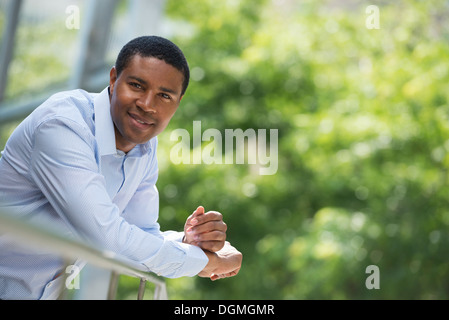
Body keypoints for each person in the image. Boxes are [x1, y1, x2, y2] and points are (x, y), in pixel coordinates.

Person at [0, 35, 242, 300]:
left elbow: (139, 235)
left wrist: (190, 244)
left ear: (178, 103)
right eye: (137, 85)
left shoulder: (145, 148)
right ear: (114, 80)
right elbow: (106, 237)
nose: (147, 105)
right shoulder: (62, 125)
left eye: (164, 95)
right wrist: (206, 263)